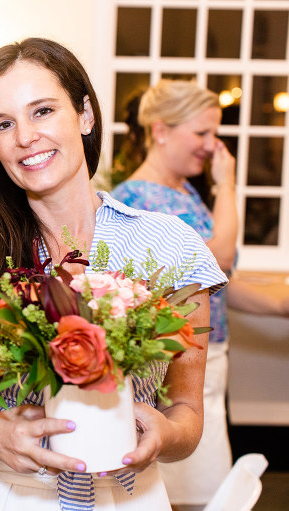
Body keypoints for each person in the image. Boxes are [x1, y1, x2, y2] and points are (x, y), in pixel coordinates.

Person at [0, 38, 227, 510]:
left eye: (43, 111)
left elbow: (187, 412)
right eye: (3, 124)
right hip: (3, 495)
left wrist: (166, 434)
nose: (25, 136)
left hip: (130, 497)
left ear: (85, 114)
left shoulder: (172, 247)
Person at [110, 79, 281, 509]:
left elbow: (213, 284)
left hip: (212, 363)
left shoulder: (185, 194)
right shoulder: (135, 199)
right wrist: (227, 185)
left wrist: (279, 306)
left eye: (215, 133)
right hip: (172, 372)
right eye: (202, 133)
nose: (212, 146)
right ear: (161, 130)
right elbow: (220, 257)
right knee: (199, 497)